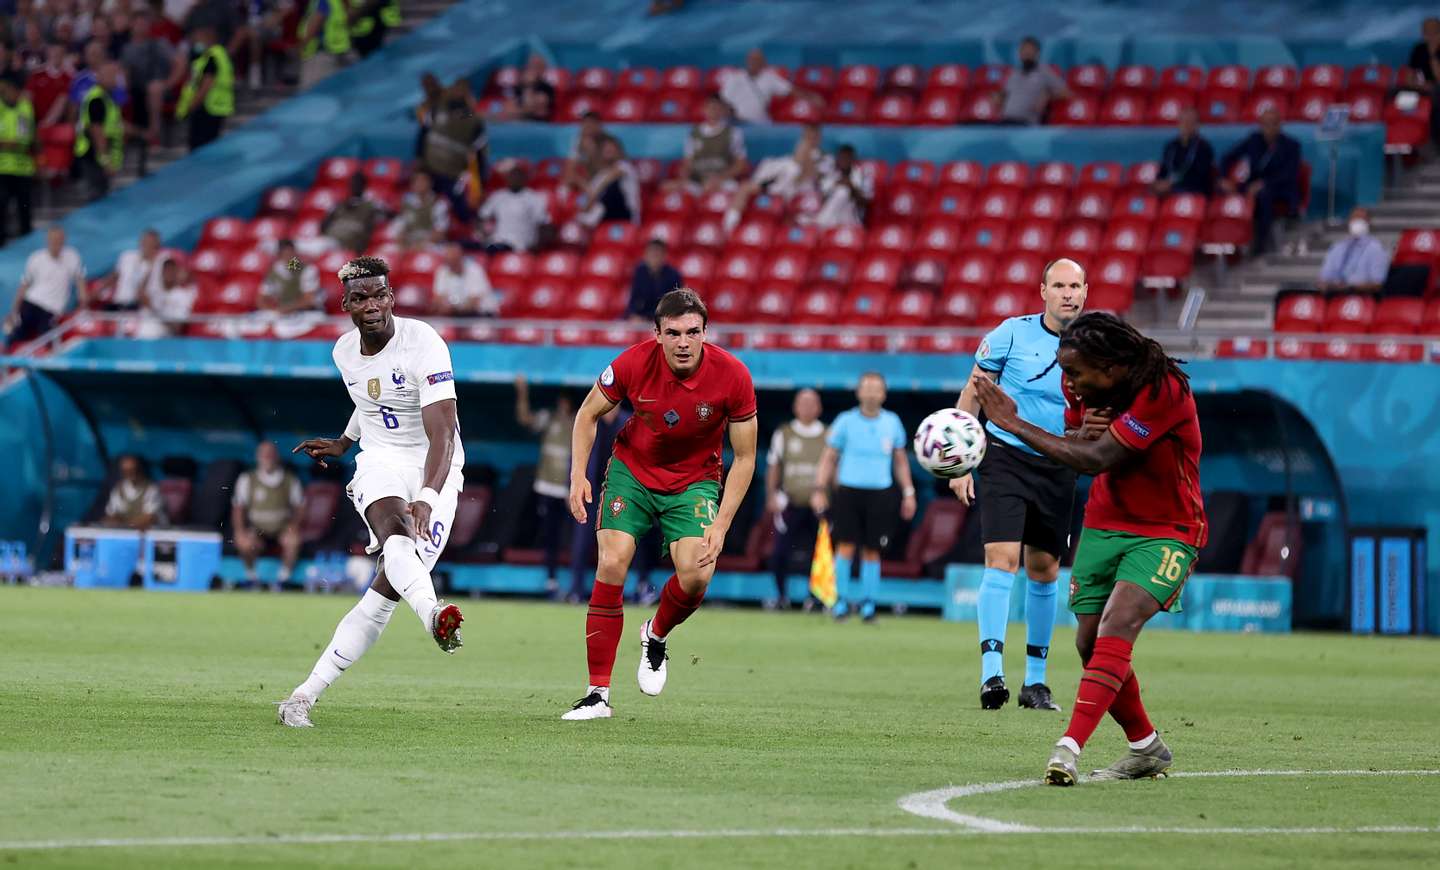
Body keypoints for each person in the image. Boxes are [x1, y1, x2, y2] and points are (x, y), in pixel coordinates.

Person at [973, 311, 1205, 786]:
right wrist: (1077, 434)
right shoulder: (1083, 388)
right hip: (1104, 523)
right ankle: (1145, 745)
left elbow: (1098, 457)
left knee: (1117, 626)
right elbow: (1077, 443)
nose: (1068, 382)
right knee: (1087, 642)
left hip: (1166, 528)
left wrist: (1013, 423)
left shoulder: (1162, 390)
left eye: (1076, 372)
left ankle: (1068, 747)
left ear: (1112, 366)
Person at [278, 255, 467, 728]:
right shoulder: (343, 352)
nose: (372, 305)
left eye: (380, 294)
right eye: (360, 297)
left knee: (381, 596)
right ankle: (434, 617)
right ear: (344, 304)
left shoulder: (422, 341)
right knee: (398, 537)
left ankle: (302, 695)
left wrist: (426, 494)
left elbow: (443, 433)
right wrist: (347, 442)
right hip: (380, 462)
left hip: (436, 467)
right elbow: (369, 399)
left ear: (392, 297)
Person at [562, 288, 758, 720]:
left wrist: (722, 523)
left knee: (696, 577)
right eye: (673, 333)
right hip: (633, 472)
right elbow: (586, 415)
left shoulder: (734, 376)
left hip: (695, 482)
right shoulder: (632, 363)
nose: (683, 342)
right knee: (612, 562)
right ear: (657, 335)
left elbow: (745, 457)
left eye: (692, 332)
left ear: (706, 333)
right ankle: (597, 694)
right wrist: (578, 475)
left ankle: (656, 633)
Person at [951, 258, 1088, 712]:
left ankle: (1036, 682)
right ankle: (992, 674)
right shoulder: (1011, 332)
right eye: (1059, 285)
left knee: (1045, 568)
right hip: (1005, 456)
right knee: (1002, 559)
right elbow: (973, 393)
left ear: (1086, 292)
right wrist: (959, 463)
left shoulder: (1097, 344)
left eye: (1075, 286)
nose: (1068, 293)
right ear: (1043, 290)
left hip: (1058, 461)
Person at [810, 372, 916, 622]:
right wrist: (819, 489)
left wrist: (909, 492)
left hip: (881, 493)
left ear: (883, 394)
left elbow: (900, 461)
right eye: (866, 388)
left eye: (876, 388)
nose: (870, 393)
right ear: (858, 392)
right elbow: (829, 457)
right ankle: (841, 602)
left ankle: (869, 605)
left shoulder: (892, 422)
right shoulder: (845, 421)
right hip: (848, 491)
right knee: (845, 547)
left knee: (872, 550)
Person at [764, 387, 825, 610]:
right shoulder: (785, 433)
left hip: (818, 505)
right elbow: (773, 466)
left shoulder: (828, 434)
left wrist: (830, 497)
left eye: (812, 403)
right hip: (790, 503)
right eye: (803, 403)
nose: (807, 407)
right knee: (780, 552)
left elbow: (834, 467)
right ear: (795, 406)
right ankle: (781, 596)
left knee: (820, 554)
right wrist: (771, 494)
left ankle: (816, 598)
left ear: (819, 407)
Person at [515, 374, 575, 595]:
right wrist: (522, 392)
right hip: (546, 487)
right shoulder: (549, 418)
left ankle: (574, 582)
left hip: (569, 490)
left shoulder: (580, 420)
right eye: (561, 400)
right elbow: (525, 419)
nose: (563, 405)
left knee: (571, 535)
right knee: (548, 533)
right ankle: (551, 579)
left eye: (566, 401)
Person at [1219, 108, 1301, 256]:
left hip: (1280, 188)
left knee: (1264, 194)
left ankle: (1260, 244)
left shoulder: (1291, 145)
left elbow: (1289, 174)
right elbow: (1227, 157)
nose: (1269, 128)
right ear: (1260, 125)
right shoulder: (1253, 140)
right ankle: (1225, 238)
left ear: (1279, 125)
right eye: (1265, 124)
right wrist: (1225, 179)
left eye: (1273, 124)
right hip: (1253, 185)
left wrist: (1264, 183)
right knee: (1223, 191)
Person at [721, 122, 823, 232]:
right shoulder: (787, 162)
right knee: (745, 187)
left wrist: (806, 159)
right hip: (779, 182)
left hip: (798, 190)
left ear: (819, 139)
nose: (808, 140)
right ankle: (728, 226)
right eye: (806, 136)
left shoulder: (821, 158)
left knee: (791, 169)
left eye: (813, 137)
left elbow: (811, 176)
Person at [231, 441, 304, 588]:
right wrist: (240, 531)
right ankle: (252, 577)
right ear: (257, 457)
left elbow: (300, 506)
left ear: (276, 457)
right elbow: (238, 508)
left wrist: (294, 526)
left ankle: (283, 580)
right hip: (257, 528)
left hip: (281, 527)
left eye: (270, 454)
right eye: (263, 454)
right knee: (244, 542)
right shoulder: (247, 479)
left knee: (293, 541)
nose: (267, 458)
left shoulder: (290, 480)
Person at [6, 225, 86, 345]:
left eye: (59, 240)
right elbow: (24, 286)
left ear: (64, 240)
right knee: (17, 334)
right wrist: (13, 311)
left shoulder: (72, 257)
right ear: (47, 241)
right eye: (53, 240)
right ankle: (7, 358)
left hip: (51, 310)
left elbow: (80, 281)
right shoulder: (36, 258)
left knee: (47, 338)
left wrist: (83, 303)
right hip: (31, 303)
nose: (56, 243)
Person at [418, 85, 487, 219]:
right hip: (432, 168)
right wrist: (419, 158)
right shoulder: (436, 111)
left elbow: (479, 152)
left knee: (459, 201)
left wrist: (479, 178)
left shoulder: (471, 118)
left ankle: (465, 226)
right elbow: (422, 136)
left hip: (456, 173)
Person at [718, 47, 821, 124]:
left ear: (763, 63)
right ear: (747, 61)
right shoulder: (735, 77)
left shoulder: (770, 78)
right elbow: (722, 100)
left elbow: (790, 90)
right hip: (735, 122)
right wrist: (733, 115)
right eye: (752, 59)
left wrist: (811, 98)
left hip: (758, 123)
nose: (754, 62)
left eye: (757, 60)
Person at [668, 93, 747, 193]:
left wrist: (720, 178)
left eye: (716, 108)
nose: (713, 111)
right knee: (669, 188)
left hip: (722, 180)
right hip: (698, 181)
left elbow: (740, 165)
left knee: (731, 189)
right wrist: (683, 178)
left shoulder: (733, 133)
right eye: (710, 108)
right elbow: (687, 162)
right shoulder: (694, 133)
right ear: (704, 109)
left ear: (723, 110)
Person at [174, 25, 234, 152]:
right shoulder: (220, 54)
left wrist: (191, 106)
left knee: (201, 147)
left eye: (197, 37)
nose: (195, 41)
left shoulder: (211, 56)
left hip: (207, 107)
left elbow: (207, 85)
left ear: (207, 36)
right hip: (216, 107)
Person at [119, 9, 174, 146]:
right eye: (138, 23)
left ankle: (155, 132)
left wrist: (169, 83)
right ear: (131, 25)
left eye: (144, 23)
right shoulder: (127, 49)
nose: (140, 27)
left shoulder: (159, 43)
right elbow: (124, 72)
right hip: (135, 88)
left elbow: (180, 62)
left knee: (154, 88)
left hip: (159, 87)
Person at [73, 60, 124, 201]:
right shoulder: (97, 99)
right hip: (93, 155)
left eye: (116, 74)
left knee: (103, 196)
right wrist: (105, 160)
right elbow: (96, 131)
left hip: (100, 154)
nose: (115, 78)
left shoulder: (107, 97)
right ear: (100, 77)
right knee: (97, 198)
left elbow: (113, 125)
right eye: (111, 74)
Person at [995, 36, 1069, 125]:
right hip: (1005, 120)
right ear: (1019, 53)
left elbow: (1066, 93)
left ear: (1037, 53)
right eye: (1024, 50)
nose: (1026, 53)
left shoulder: (1044, 72)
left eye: (1030, 50)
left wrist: (1048, 95)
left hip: (1025, 123)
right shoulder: (1014, 74)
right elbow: (1003, 95)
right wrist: (997, 97)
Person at [478, 164, 551, 253]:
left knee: (493, 249)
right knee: (468, 246)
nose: (514, 179)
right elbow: (482, 216)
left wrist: (537, 246)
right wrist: (483, 233)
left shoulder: (534, 198)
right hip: (498, 241)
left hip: (521, 245)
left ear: (524, 179)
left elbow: (543, 224)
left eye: (518, 176)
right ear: (507, 179)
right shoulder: (498, 196)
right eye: (512, 176)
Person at [0, 71, 36, 247]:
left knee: (25, 209)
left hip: (22, 168)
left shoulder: (25, 107)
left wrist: (6, 142)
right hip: (2, 169)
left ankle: (26, 244)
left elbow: (24, 139)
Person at [1318, 207, 1389, 293]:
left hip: (1360, 296)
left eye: (1361, 219)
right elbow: (1324, 277)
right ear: (1349, 222)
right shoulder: (1337, 247)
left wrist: (1350, 287)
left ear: (1368, 222)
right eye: (1354, 218)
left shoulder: (1376, 249)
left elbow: (1378, 283)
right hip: (1334, 295)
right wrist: (1327, 285)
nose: (1357, 222)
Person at [578, 135, 641, 227]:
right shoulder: (601, 174)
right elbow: (590, 192)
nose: (608, 150)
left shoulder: (625, 166)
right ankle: (591, 217)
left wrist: (593, 197)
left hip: (626, 214)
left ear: (618, 150)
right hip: (607, 215)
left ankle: (593, 217)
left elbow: (610, 179)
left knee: (612, 188)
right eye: (605, 148)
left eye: (612, 148)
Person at [1151, 108, 1214, 198]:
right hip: (1171, 187)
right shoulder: (1171, 146)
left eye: (1190, 122)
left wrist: (1171, 184)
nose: (1185, 125)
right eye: (1183, 121)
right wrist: (1159, 182)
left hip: (1194, 189)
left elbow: (1200, 176)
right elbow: (1164, 169)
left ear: (1197, 125)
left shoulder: (1203, 148)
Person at [317, 171, 386, 253]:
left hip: (346, 244)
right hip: (329, 240)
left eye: (358, 183)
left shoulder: (372, 205)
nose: (355, 186)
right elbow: (323, 225)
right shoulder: (339, 204)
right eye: (353, 183)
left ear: (364, 186)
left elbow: (389, 215)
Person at [100, 227, 163, 311]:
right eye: (144, 241)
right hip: (118, 303)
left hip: (138, 308)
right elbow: (115, 275)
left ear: (156, 246)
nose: (145, 245)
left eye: (150, 243)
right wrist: (97, 291)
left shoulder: (159, 263)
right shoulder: (127, 256)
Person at [810, 143, 872, 229]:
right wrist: (835, 185)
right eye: (842, 158)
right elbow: (823, 200)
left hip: (852, 218)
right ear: (838, 158)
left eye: (847, 158)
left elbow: (865, 203)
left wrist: (852, 188)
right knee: (841, 191)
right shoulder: (831, 175)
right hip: (833, 217)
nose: (844, 161)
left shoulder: (862, 176)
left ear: (853, 159)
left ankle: (820, 224)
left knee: (843, 191)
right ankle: (822, 224)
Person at [431, 241, 497, 316]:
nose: (451, 263)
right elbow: (438, 298)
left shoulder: (475, 270)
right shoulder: (442, 271)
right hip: (456, 315)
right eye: (448, 259)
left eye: (454, 259)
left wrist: (452, 308)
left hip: (483, 315)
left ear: (461, 257)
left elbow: (474, 303)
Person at [388, 170, 450, 250]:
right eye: (416, 181)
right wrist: (401, 239)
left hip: (431, 244)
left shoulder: (439, 203)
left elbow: (440, 233)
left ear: (430, 183)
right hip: (410, 242)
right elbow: (399, 226)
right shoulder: (407, 203)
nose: (420, 184)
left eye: (423, 181)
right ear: (412, 185)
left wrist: (421, 245)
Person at [136, 256, 197, 337]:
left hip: (164, 341)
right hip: (140, 338)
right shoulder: (154, 292)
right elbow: (140, 293)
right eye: (166, 270)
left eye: (171, 270)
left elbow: (177, 328)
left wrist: (152, 308)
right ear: (161, 273)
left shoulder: (183, 296)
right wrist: (150, 268)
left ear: (176, 272)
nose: (168, 273)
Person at [626, 238, 683, 323]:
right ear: (645, 255)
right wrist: (633, 314)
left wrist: (654, 318)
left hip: (664, 317)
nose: (654, 258)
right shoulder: (640, 272)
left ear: (664, 256)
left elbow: (674, 304)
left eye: (657, 254)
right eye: (651, 254)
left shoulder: (673, 275)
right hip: (642, 317)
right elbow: (634, 298)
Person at [102, 454, 165, 530]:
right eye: (126, 471)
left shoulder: (151, 489)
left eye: (134, 470)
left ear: (140, 470)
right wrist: (112, 521)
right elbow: (111, 514)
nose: (131, 474)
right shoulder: (118, 489)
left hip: (153, 534)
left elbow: (150, 518)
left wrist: (127, 526)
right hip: (127, 533)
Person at [299, 0, 352, 87]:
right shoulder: (339, 2)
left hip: (320, 51)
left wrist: (302, 44)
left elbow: (316, 23)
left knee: (311, 91)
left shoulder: (323, 1)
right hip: (340, 48)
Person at [260, 239, 323, 312]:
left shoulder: (308, 269)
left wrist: (288, 308)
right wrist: (272, 309)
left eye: (290, 254)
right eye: (285, 254)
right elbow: (261, 298)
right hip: (282, 312)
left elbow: (308, 298)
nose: (288, 257)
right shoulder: (274, 270)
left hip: (306, 312)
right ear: (279, 255)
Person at [1406, 17, 1440, 147]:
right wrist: (1417, 85)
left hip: (1437, 88)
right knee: (1393, 93)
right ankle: (1405, 139)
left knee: (1436, 94)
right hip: (1422, 86)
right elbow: (1409, 75)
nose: (1430, 35)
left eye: (1434, 31)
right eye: (1426, 32)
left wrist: (1433, 53)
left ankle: (1435, 142)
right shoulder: (1419, 49)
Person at [561, 109, 606, 192]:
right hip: (588, 184)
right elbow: (569, 170)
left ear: (599, 126)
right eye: (585, 123)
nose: (588, 126)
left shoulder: (607, 142)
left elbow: (602, 171)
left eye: (592, 123)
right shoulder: (578, 140)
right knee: (566, 184)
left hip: (604, 181)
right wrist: (581, 183)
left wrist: (590, 150)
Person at [505, 53, 555, 121]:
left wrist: (529, 86)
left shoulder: (546, 89)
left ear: (543, 70)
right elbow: (508, 109)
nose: (533, 69)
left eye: (537, 66)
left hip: (536, 125)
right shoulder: (519, 86)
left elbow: (531, 110)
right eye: (531, 65)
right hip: (514, 122)